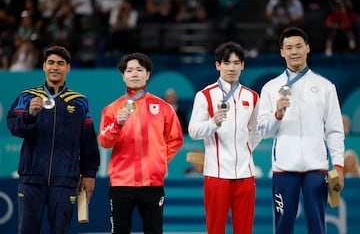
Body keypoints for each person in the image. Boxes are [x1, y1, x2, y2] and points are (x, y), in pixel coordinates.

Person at [256, 27, 345, 234]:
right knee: (283, 227)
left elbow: (334, 130)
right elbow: (263, 130)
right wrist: (277, 114)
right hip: (284, 169)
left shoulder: (325, 87)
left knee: (317, 227)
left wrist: (338, 166)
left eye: (298, 46)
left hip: (317, 169)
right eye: (288, 48)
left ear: (307, 48)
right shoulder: (270, 88)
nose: (294, 51)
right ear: (282, 52)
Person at [6, 45, 100, 233]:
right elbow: (14, 127)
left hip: (64, 181)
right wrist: (30, 114)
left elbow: (88, 142)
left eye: (60, 63)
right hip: (32, 179)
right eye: (51, 63)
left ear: (68, 68)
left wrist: (89, 174)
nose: (55, 67)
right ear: (43, 66)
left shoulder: (79, 101)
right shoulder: (27, 97)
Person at [98, 52, 184, 234]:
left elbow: (175, 139)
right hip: (121, 183)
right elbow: (105, 141)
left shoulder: (163, 107)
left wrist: (158, 162)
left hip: (152, 183)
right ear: (123, 76)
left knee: (154, 230)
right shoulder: (112, 109)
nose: (134, 74)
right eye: (129, 70)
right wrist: (116, 124)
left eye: (139, 69)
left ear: (147, 74)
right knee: (120, 231)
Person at [188, 41, 261, 234]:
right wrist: (213, 123)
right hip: (217, 175)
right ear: (217, 65)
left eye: (237, 63)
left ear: (243, 66)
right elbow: (193, 131)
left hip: (245, 175)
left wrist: (246, 150)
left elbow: (257, 130)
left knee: (244, 230)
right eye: (227, 63)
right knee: (215, 229)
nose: (232, 68)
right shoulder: (204, 95)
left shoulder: (252, 96)